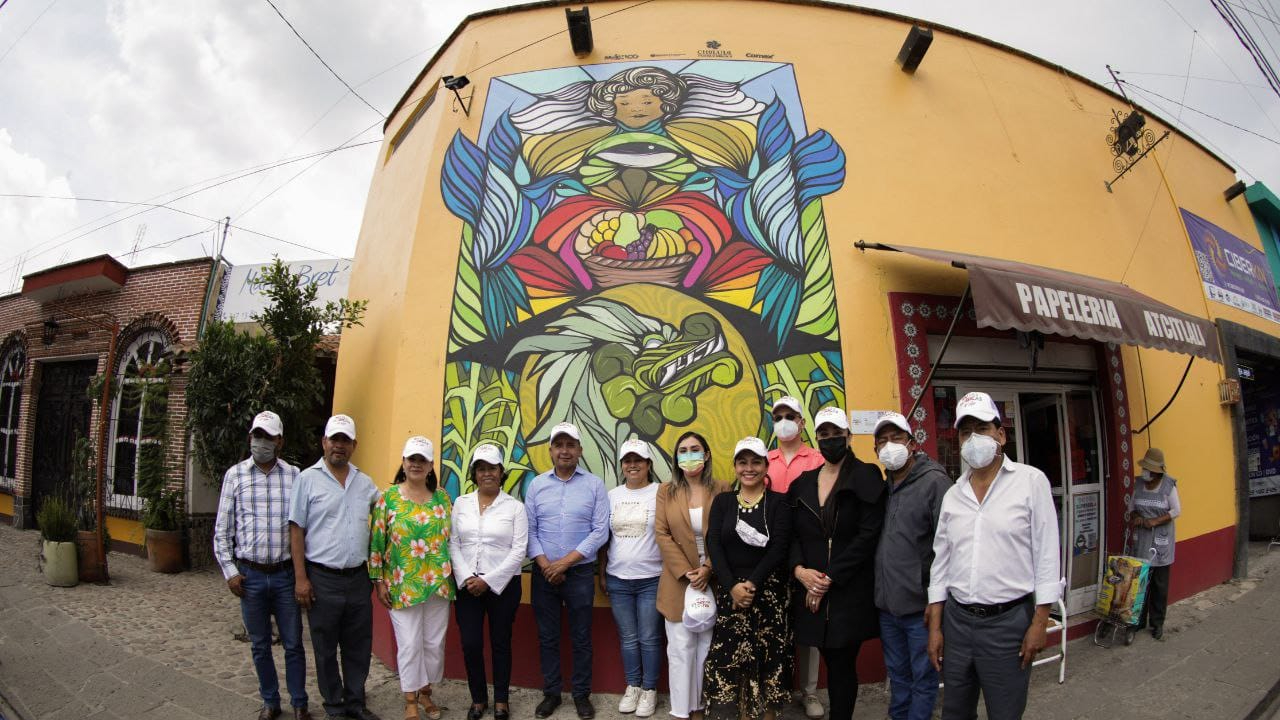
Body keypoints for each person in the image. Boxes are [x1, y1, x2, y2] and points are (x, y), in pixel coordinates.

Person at [926, 392, 1061, 720]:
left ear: (1001, 434)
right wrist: (936, 626)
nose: (973, 438)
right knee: (955, 712)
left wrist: (1040, 622)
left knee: (1005, 711)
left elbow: (1047, 555)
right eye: (964, 431)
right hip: (957, 623)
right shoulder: (953, 495)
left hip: (1008, 624)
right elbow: (941, 561)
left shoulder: (1031, 482)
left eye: (981, 428)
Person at [788, 407, 886, 720]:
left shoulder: (867, 475)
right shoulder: (802, 483)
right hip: (809, 590)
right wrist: (801, 572)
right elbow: (789, 536)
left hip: (848, 591)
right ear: (815, 437)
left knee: (843, 664)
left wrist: (828, 578)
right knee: (827, 656)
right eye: (824, 434)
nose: (830, 439)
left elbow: (868, 536)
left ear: (848, 436)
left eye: (836, 434)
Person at [213, 411, 312, 720]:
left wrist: (302, 575)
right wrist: (230, 572)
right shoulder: (235, 476)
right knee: (259, 645)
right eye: (257, 435)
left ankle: (299, 703)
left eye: (268, 437)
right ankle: (270, 701)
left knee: (294, 644)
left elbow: (303, 527)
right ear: (250, 437)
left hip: (285, 575)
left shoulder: (295, 475)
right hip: (250, 575)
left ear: (279, 441)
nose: (261, 442)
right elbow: (222, 530)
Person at [289, 414, 383, 720]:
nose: (338, 446)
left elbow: (389, 512)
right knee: (325, 647)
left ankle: (356, 702)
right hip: (322, 578)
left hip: (358, 578)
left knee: (358, 646)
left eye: (345, 440)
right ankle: (334, 706)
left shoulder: (365, 482)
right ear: (324, 442)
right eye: (334, 439)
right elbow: (296, 529)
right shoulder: (306, 479)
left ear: (354, 445)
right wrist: (300, 578)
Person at [525, 422, 611, 720]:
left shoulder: (594, 485)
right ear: (550, 450)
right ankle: (551, 694)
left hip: (580, 575)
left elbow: (600, 532)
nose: (564, 450)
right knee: (547, 637)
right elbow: (530, 530)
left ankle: (581, 695)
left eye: (570, 445)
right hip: (543, 574)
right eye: (559, 445)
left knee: (581, 637)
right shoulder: (536, 485)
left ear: (579, 450)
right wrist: (547, 565)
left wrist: (565, 563)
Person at [704, 437, 794, 720]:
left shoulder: (778, 504)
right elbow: (714, 545)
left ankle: (768, 715)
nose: (749, 468)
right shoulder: (723, 502)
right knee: (729, 661)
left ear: (766, 466)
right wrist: (732, 586)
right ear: (735, 466)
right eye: (743, 462)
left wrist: (752, 584)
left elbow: (779, 548)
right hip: (731, 595)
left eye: (756, 462)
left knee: (770, 659)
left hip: (768, 594)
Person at [871, 412, 952, 720]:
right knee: (898, 675)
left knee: (923, 678)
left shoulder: (935, 483)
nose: (890, 446)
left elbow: (948, 547)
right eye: (883, 441)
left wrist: (937, 602)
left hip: (921, 608)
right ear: (876, 450)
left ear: (912, 443)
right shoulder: (885, 486)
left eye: (897, 439)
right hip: (888, 606)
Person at [370, 436, 454, 720]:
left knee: (433, 644)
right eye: (411, 459)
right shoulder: (388, 498)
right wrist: (378, 581)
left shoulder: (442, 498)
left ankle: (427, 693)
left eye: (423, 460)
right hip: (402, 584)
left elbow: (452, 539)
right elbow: (377, 542)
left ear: (431, 465)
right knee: (408, 643)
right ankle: (410, 699)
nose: (416, 464)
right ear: (403, 463)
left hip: (438, 585)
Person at [450, 444, 528, 720]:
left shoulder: (515, 508)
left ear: (501, 472)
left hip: (503, 587)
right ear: (474, 473)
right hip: (467, 585)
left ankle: (502, 701)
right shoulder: (460, 503)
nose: (487, 474)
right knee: (470, 643)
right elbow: (453, 544)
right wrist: (467, 577)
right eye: (481, 469)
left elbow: (519, 550)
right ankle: (478, 699)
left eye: (492, 468)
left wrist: (489, 580)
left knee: (500, 643)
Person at [655, 432, 727, 720]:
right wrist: (687, 571)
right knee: (681, 647)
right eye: (683, 450)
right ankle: (682, 709)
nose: (689, 455)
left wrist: (708, 568)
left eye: (695, 449)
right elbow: (662, 533)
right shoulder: (666, 491)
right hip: (678, 579)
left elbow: (725, 533)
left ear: (707, 454)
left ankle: (700, 707)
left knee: (706, 646)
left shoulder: (722, 488)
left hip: (713, 577)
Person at [764, 396, 824, 719]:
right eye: (778, 416)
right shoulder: (763, 459)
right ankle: (778, 689)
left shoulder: (816, 459)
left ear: (802, 423)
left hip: (807, 551)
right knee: (775, 623)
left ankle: (810, 691)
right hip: (771, 552)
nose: (784, 421)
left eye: (790, 416)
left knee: (808, 623)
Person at [603, 438, 664, 717]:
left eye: (638, 460)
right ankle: (633, 686)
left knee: (649, 637)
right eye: (627, 460)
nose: (632, 465)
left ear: (648, 464)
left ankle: (650, 690)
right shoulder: (612, 495)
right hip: (618, 579)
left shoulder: (661, 493)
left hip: (652, 578)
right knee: (628, 637)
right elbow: (604, 538)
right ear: (622, 466)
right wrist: (602, 572)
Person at [1129, 447, 1180, 641]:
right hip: (1142, 539)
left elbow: (1176, 511)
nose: (1145, 472)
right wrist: (1137, 517)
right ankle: (1137, 621)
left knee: (1159, 585)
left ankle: (1157, 624)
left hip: (1161, 541)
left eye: (1149, 470)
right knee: (1141, 583)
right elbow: (1132, 508)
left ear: (1157, 471)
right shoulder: (1139, 484)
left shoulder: (1169, 486)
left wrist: (1155, 521)